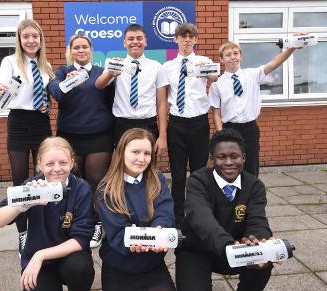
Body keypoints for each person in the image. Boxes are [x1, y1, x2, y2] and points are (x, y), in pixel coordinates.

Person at [0, 137, 95, 291]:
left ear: (72, 162)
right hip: (42, 264)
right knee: (34, 284)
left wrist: (40, 255)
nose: (57, 168)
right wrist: (24, 203)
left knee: (80, 267)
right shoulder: (31, 186)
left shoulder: (81, 188)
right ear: (39, 164)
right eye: (50, 163)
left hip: (69, 258)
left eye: (63, 162)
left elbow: (81, 240)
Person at [176, 128, 273, 291]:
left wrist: (257, 242)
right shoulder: (197, 181)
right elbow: (201, 219)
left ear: (243, 158)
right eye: (221, 157)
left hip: (236, 249)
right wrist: (228, 246)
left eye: (234, 156)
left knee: (264, 258)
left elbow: (258, 221)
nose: (228, 162)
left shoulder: (254, 186)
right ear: (212, 159)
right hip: (198, 250)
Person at [0, 19, 54, 254]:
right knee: (20, 182)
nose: (30, 40)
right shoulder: (9, 62)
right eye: (26, 36)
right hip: (17, 122)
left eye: (34, 36)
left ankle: (43, 231)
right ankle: (23, 233)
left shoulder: (45, 65)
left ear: (40, 39)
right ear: (19, 39)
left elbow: (48, 93)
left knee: (44, 179)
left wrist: (46, 105)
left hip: (40, 124)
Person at [48, 33, 115, 248]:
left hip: (99, 135)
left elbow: (111, 101)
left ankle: (96, 223)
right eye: (76, 47)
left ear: (91, 50)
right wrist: (66, 83)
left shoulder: (101, 73)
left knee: (95, 181)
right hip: (70, 137)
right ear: (70, 51)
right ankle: (73, 222)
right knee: (74, 182)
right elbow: (55, 92)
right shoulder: (63, 71)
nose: (81, 50)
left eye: (84, 47)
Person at [96, 128, 176, 291]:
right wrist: (132, 239)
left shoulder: (157, 180)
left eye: (147, 153)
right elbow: (118, 233)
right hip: (119, 265)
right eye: (135, 152)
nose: (141, 159)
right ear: (121, 152)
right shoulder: (106, 190)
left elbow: (165, 213)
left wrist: (159, 230)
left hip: (151, 264)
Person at [209, 39, 303, 177]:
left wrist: (292, 48)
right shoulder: (217, 85)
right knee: (231, 168)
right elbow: (216, 113)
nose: (233, 57)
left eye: (235, 53)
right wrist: (221, 135)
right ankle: (233, 197)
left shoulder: (252, 75)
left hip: (250, 128)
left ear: (241, 56)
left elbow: (274, 63)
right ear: (221, 59)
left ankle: (251, 197)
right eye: (228, 54)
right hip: (229, 129)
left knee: (251, 167)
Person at [163, 23, 217, 228]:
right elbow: (164, 96)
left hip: (198, 123)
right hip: (176, 123)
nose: (186, 40)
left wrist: (201, 70)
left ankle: (199, 214)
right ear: (175, 39)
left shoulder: (204, 61)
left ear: (195, 40)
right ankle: (177, 217)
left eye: (190, 37)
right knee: (177, 175)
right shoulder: (167, 66)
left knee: (199, 172)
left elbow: (214, 76)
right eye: (182, 36)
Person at [95, 24, 169, 157]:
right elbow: (99, 85)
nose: (135, 42)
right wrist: (110, 74)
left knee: (147, 166)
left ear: (145, 42)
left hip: (148, 123)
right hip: (122, 123)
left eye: (139, 38)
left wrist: (162, 136)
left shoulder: (157, 67)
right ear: (124, 43)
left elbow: (162, 103)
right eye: (130, 39)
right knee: (122, 166)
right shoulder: (115, 64)